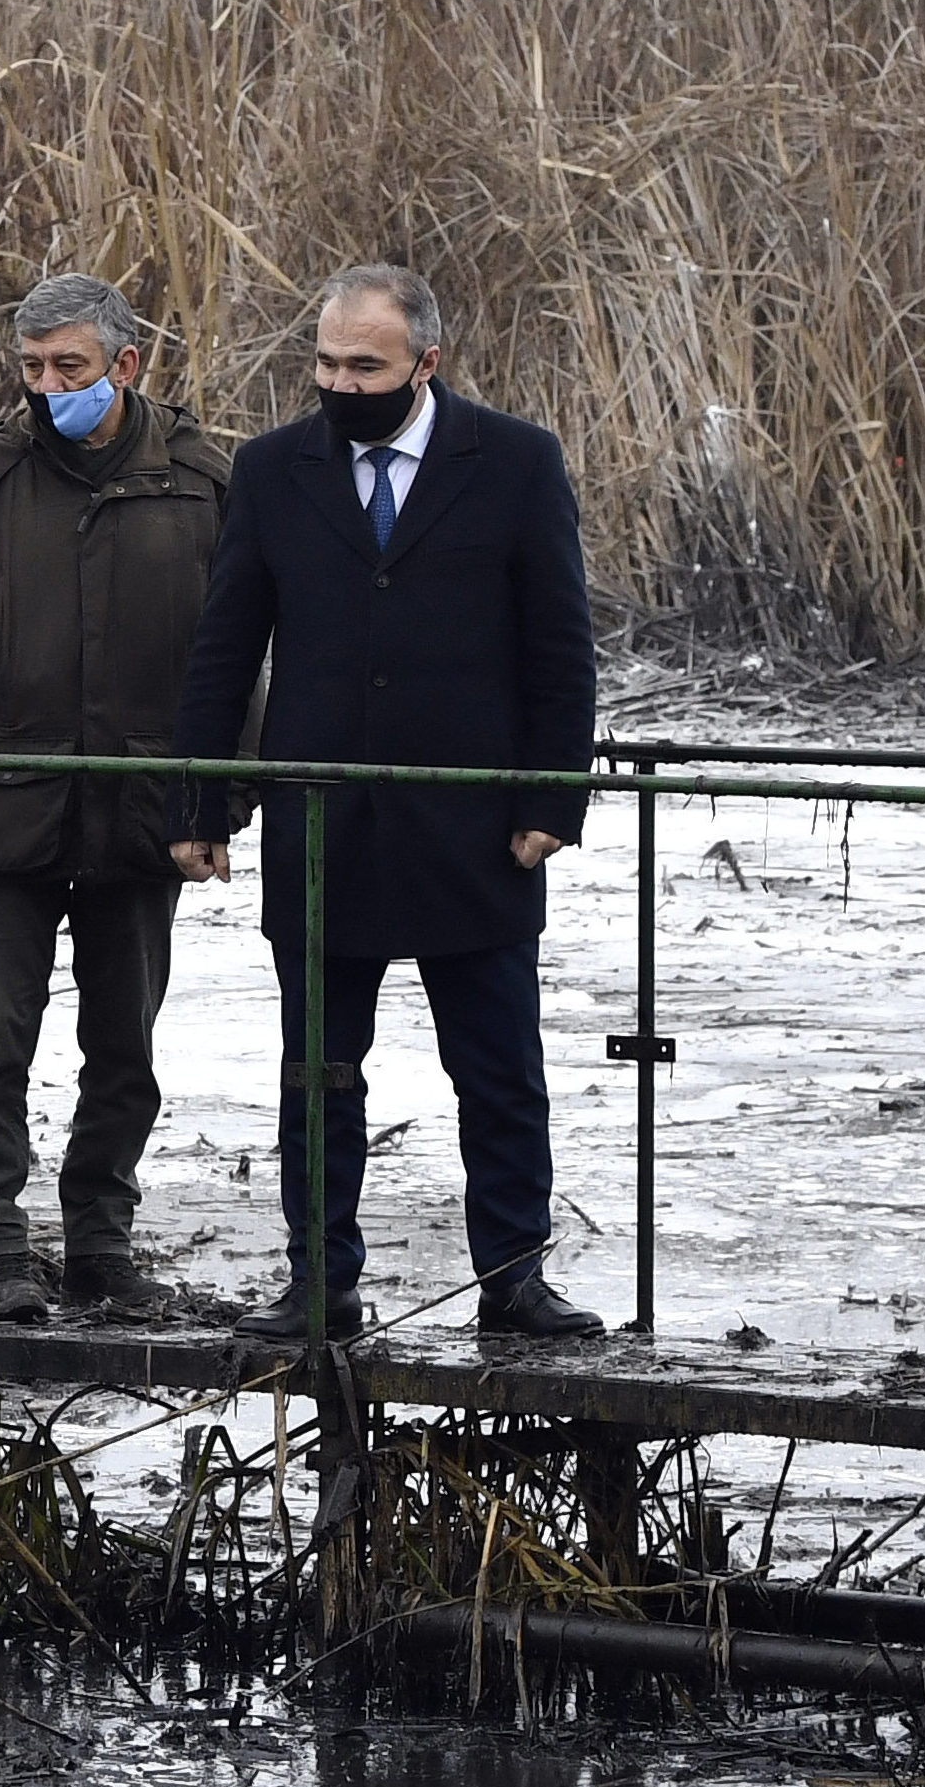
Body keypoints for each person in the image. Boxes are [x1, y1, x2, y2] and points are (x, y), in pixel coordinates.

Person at [172, 263, 603, 1342]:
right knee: (318, 1071)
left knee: (497, 1069)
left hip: (475, 823)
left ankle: (513, 1277)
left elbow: (559, 643)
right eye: (323, 363)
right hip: (323, 825)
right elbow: (225, 646)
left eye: (363, 365)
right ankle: (319, 1278)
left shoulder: (512, 462)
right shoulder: (273, 471)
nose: (339, 382)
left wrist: (552, 792)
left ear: (426, 362)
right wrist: (202, 798)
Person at [0, 273, 230, 1323]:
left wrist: (218, 803)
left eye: (67, 369)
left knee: (123, 1046)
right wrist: (1, 647)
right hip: (11, 807)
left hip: (142, 814)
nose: (45, 388)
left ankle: (100, 1248)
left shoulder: (204, 482)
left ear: (125, 366)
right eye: (31, 369)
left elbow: (246, 650)